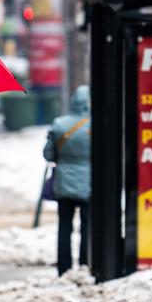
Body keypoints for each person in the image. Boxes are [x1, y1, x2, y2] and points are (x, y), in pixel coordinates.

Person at [43, 86, 92, 275]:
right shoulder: (93, 125)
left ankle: (63, 267)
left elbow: (48, 154)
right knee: (87, 226)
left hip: (63, 182)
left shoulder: (59, 125)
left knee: (64, 227)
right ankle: (84, 263)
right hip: (88, 183)